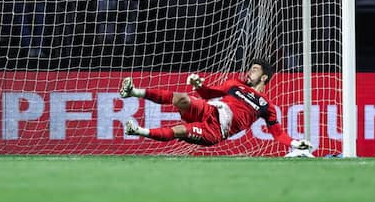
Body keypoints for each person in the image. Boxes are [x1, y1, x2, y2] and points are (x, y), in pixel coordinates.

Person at [118, 60, 312, 154]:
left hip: (215, 130)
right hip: (210, 109)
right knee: (181, 99)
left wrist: (294, 143)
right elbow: (209, 93)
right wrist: (198, 85)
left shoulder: (266, 105)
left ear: (264, 78)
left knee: (180, 130)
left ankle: (138, 130)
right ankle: (133, 92)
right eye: (250, 68)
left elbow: (278, 133)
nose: (249, 71)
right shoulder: (234, 84)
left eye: (254, 69)